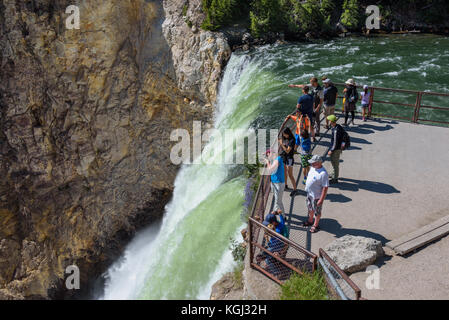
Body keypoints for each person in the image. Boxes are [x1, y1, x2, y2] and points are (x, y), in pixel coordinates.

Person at [302, 155, 329, 233]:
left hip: (316, 196)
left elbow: (325, 188)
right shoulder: (313, 168)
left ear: (319, 163)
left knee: (317, 211)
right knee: (310, 208)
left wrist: (321, 199)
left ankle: (315, 225)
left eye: (313, 163)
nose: (311, 164)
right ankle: (310, 220)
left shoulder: (323, 173)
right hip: (309, 194)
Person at [327, 115, 346, 184]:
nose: (328, 121)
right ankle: (333, 174)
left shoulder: (335, 130)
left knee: (335, 163)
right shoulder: (338, 126)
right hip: (338, 148)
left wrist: (331, 150)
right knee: (335, 162)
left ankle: (335, 179)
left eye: (329, 120)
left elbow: (335, 142)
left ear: (332, 122)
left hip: (336, 149)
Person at [264, 149, 285, 213]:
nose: (268, 156)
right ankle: (276, 212)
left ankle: (282, 216)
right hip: (274, 183)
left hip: (279, 183)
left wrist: (267, 162)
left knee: (278, 202)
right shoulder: (273, 161)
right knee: (277, 200)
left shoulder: (278, 159)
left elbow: (270, 169)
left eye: (268, 154)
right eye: (267, 155)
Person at [279, 127, 297, 192]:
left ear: (288, 133)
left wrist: (281, 144)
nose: (284, 136)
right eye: (283, 134)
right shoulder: (285, 138)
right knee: (284, 173)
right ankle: (285, 185)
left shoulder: (292, 140)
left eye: (284, 134)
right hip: (284, 157)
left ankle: (295, 189)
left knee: (290, 175)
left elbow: (287, 151)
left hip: (289, 158)